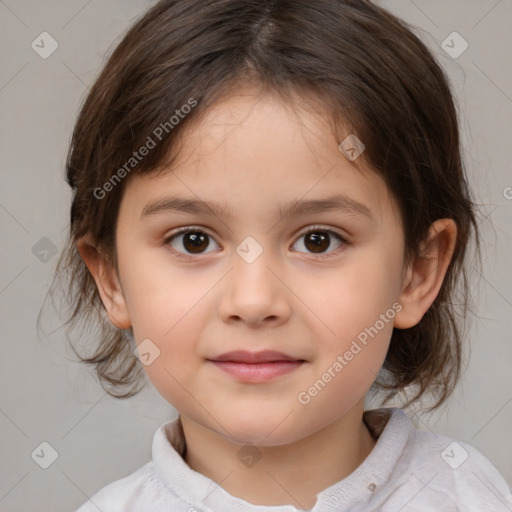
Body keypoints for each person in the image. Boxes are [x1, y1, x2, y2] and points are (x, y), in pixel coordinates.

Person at [46, 0, 512, 510]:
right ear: (110, 277)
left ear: (416, 273)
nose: (253, 301)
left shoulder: (470, 496)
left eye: (318, 240)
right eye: (193, 240)